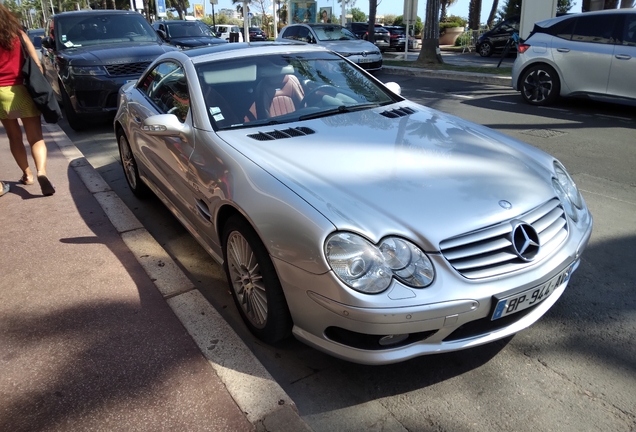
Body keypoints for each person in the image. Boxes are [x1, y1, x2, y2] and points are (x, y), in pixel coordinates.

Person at [0, 3, 55, 196]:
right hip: (22, 90)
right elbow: (37, 63)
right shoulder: (19, 34)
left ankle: (27, 174)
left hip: (1, 95)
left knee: (14, 137)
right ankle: (41, 172)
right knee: (35, 137)